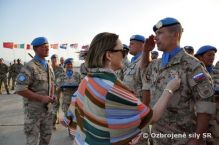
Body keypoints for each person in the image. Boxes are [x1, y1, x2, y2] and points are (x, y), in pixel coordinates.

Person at [60, 32, 181, 145]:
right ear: (108, 55)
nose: (124, 55)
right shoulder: (110, 87)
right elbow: (151, 117)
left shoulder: (87, 80)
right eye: (121, 51)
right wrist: (169, 89)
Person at [142, 17, 216, 145]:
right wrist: (145, 51)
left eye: (160, 33)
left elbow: (206, 104)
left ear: (175, 35)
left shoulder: (192, 65)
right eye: (155, 34)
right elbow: (144, 72)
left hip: (181, 139)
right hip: (157, 137)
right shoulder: (156, 64)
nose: (155, 38)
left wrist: (197, 138)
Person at [16, 37, 55, 145]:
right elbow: (20, 89)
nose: (47, 49)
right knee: (32, 141)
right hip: (33, 112)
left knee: (46, 139)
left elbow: (51, 84)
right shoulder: (29, 66)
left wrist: (52, 95)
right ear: (36, 49)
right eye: (44, 47)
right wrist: (41, 98)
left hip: (47, 111)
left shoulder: (49, 66)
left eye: (48, 47)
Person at [195, 45, 219, 145]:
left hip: (215, 117)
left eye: (213, 55)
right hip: (199, 116)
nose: (212, 57)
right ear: (200, 57)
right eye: (209, 55)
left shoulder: (215, 72)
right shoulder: (196, 72)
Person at [50, 54, 65, 130]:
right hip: (48, 90)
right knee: (52, 106)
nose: (54, 60)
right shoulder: (48, 68)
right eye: (53, 58)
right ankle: (53, 121)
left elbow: (64, 79)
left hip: (57, 90)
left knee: (56, 105)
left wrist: (61, 88)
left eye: (56, 58)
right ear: (51, 59)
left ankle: (54, 121)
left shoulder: (60, 69)